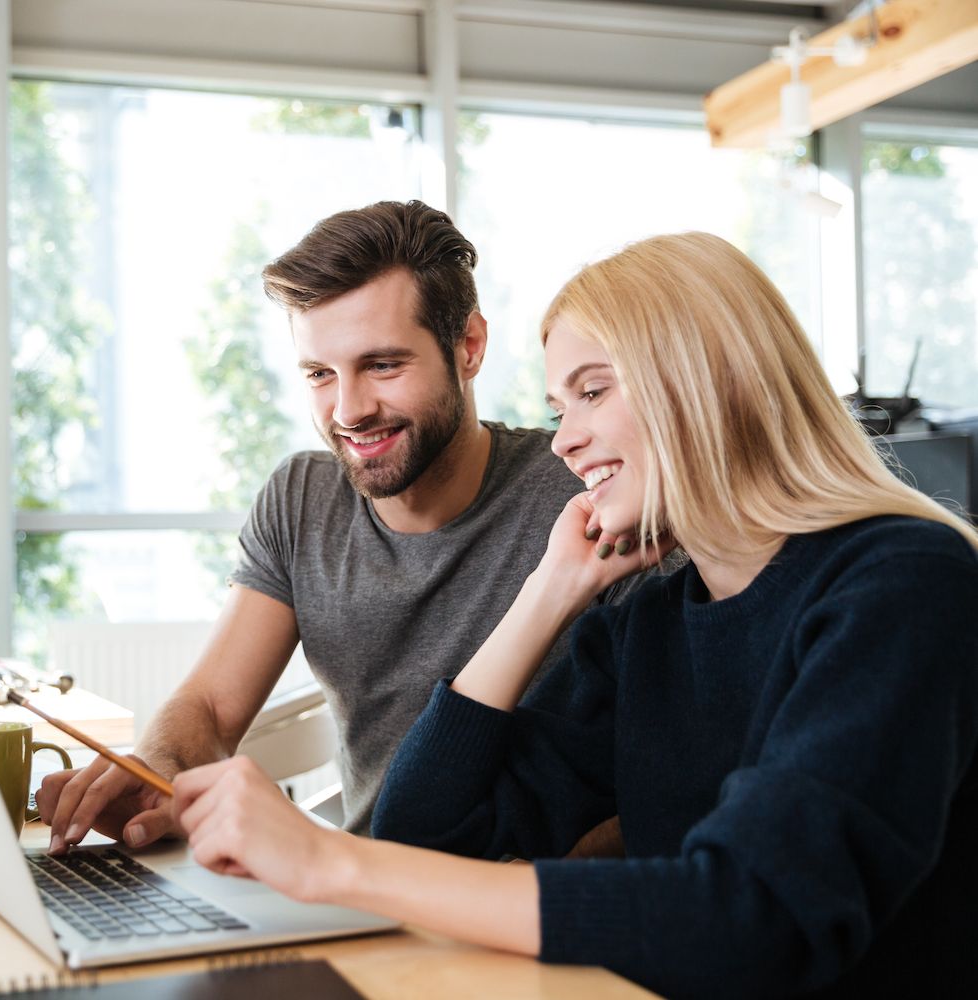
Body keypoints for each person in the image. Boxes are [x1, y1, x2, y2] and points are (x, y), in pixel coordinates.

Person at [170, 232, 978, 998]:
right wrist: (548, 592)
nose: (565, 441)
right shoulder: (651, 622)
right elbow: (425, 831)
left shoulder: (900, 582)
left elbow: (754, 917)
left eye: (592, 391)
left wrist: (333, 865)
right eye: (561, 408)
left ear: (706, 378)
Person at [38, 201, 641, 853]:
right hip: (349, 890)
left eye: (382, 365)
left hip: (521, 909)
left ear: (468, 347)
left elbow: (656, 789)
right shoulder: (302, 498)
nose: (348, 411)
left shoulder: (587, 492)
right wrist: (157, 763)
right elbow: (211, 707)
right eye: (321, 374)